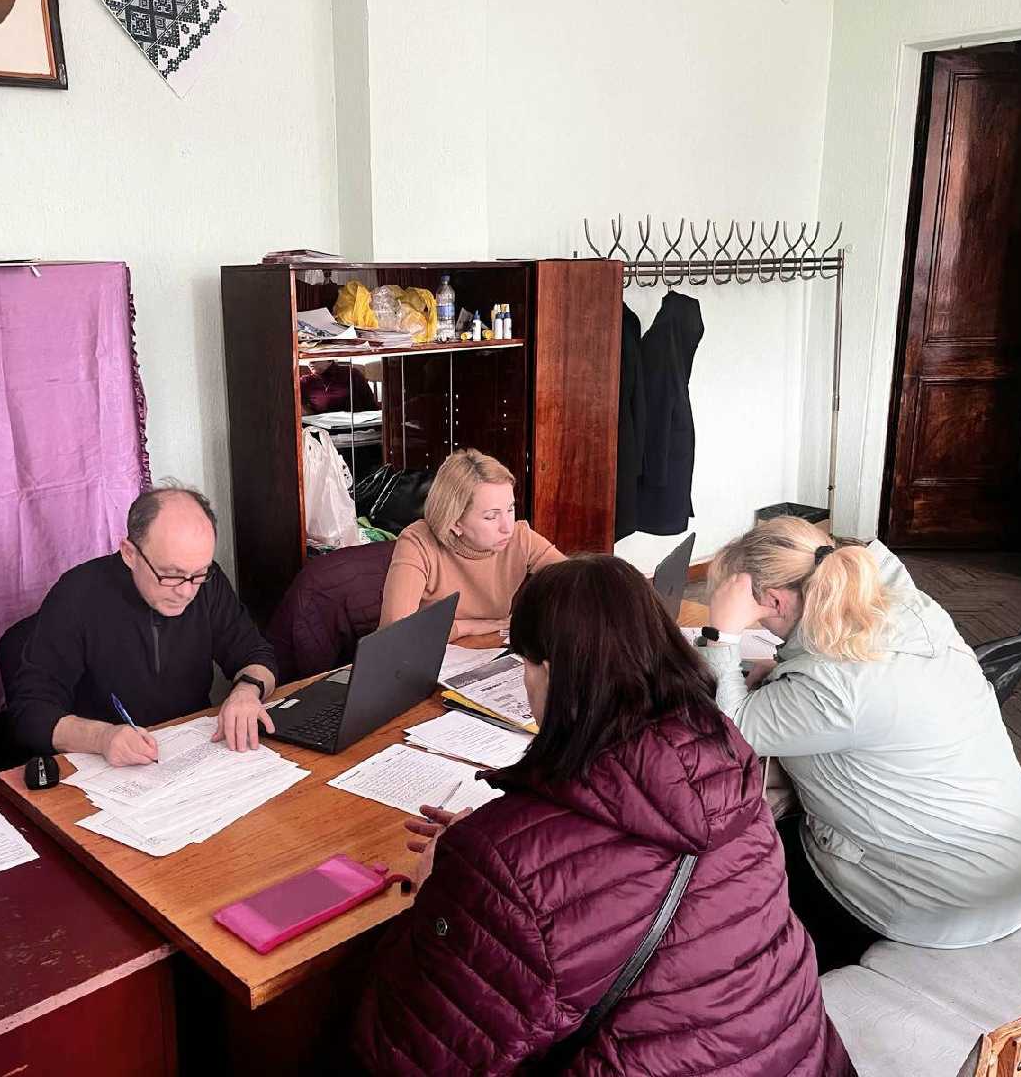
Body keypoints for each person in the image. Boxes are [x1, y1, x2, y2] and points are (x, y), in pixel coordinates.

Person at [355, 556, 853, 1076]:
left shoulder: (504, 868)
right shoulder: (726, 763)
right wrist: (487, 864)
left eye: (524, 664)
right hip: (799, 1056)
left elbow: (408, 1054)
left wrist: (439, 893)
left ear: (550, 672)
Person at [699, 517, 1021, 969]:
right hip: (1000, 866)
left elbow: (732, 734)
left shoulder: (834, 689)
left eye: (756, 615)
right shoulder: (908, 609)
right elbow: (855, 689)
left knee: (724, 876)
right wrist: (783, 673)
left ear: (776, 601)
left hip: (935, 903)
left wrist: (722, 635)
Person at [9, 481, 278, 764]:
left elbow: (257, 654)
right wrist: (101, 738)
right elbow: (30, 712)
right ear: (130, 553)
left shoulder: (207, 584)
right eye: (171, 575)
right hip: (104, 768)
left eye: (199, 573)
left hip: (193, 755)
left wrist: (247, 692)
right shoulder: (77, 594)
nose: (187, 591)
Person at [378, 449, 564, 640]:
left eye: (510, 509)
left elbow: (576, 583)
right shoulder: (418, 543)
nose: (507, 527)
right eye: (491, 516)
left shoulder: (520, 538)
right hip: (435, 654)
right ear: (455, 522)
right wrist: (470, 627)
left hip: (492, 649)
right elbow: (396, 633)